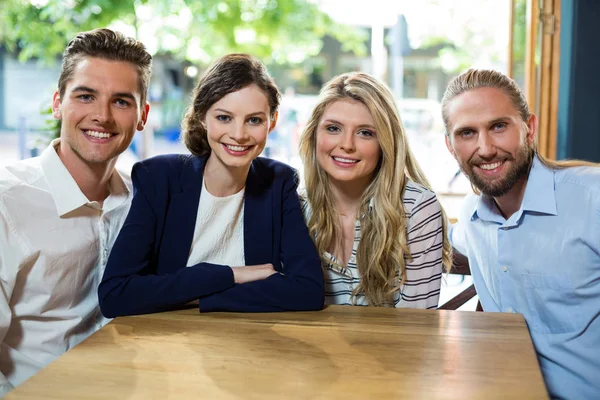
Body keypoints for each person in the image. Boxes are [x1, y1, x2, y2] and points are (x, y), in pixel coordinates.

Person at [98, 54, 324, 317]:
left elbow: (308, 290)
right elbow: (116, 295)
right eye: (224, 117)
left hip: (251, 342)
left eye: (254, 120)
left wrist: (194, 295)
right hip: (164, 343)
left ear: (272, 122)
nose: (239, 134)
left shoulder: (278, 183)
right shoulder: (159, 178)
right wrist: (231, 275)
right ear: (203, 117)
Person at [0, 28, 151, 394]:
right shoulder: (7, 202)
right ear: (58, 103)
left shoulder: (141, 199)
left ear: (142, 115)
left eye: (121, 101)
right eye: (86, 96)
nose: (102, 116)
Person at [443, 68, 600, 399]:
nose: (485, 148)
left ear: (529, 128)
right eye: (467, 133)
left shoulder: (592, 197)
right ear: (450, 146)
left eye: (498, 126)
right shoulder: (472, 216)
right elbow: (437, 235)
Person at [298, 72, 452, 309]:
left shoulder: (416, 208)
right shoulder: (295, 206)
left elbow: (417, 323)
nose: (347, 145)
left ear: (385, 143)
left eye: (365, 133)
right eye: (333, 128)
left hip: (393, 346)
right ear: (313, 135)